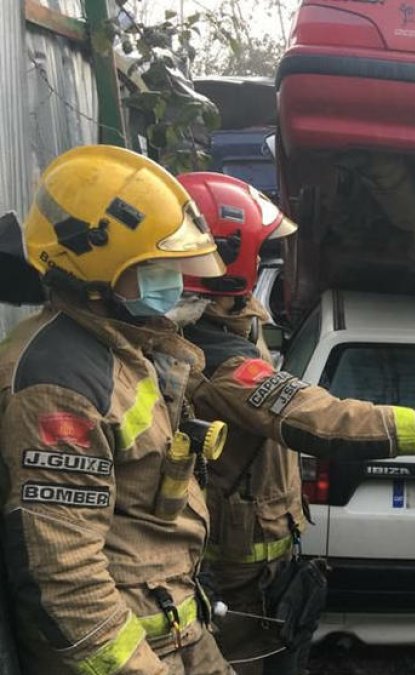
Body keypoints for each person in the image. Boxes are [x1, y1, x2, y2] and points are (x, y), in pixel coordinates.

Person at [171, 172, 415, 673]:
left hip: (256, 562)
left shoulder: (226, 324)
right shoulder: (219, 361)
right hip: (236, 572)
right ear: (232, 259)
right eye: (261, 249)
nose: (269, 259)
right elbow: (325, 418)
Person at [0, 145, 232, 673]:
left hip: (172, 625)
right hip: (130, 653)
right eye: (153, 266)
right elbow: (66, 584)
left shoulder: (118, 346)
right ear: (98, 267)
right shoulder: (58, 382)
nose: (171, 281)